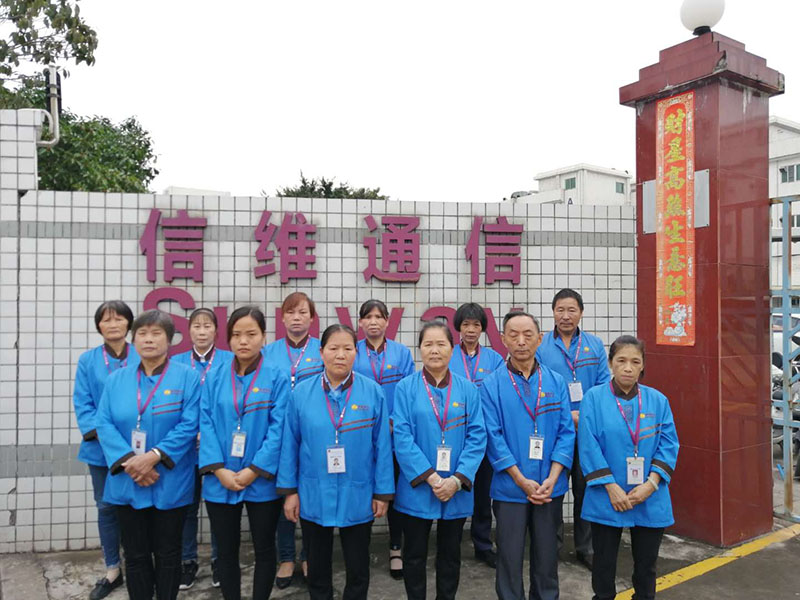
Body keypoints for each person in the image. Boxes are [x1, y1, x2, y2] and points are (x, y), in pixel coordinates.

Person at [277, 324, 394, 600]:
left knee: (358, 564)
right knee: (317, 565)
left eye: (347, 348)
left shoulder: (372, 392)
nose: (340, 355)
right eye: (333, 348)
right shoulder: (301, 394)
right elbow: (289, 444)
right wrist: (290, 491)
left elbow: (382, 447)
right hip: (313, 490)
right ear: (321, 352)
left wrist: (382, 493)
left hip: (359, 490)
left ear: (356, 352)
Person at [95, 310, 201, 600]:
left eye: (156, 333)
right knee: (135, 554)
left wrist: (153, 456)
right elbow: (103, 422)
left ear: (170, 340)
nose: (149, 339)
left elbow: (190, 423)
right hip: (128, 478)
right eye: (142, 333)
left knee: (168, 553)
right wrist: (132, 462)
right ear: (134, 339)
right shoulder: (116, 379)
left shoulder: (188, 377)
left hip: (170, 477)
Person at [481, 311, 575, 600]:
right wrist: (520, 480)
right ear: (503, 340)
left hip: (549, 487)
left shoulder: (556, 382)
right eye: (514, 335)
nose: (521, 341)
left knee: (547, 556)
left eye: (528, 335)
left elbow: (566, 432)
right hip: (510, 488)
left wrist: (553, 477)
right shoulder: (491, 385)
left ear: (540, 338)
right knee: (509, 557)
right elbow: (493, 437)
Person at [199, 306, 290, 600]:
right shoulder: (214, 377)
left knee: (264, 548)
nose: (243, 341)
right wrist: (219, 469)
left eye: (251, 334)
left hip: (261, 479)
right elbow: (205, 423)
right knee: (226, 551)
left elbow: (279, 429)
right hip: (221, 477)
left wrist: (254, 469)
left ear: (263, 337)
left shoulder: (276, 377)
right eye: (236, 334)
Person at [578, 336, 679, 600]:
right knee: (603, 565)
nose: (628, 368)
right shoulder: (593, 398)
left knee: (646, 567)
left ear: (643, 365)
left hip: (649, 495)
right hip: (606, 494)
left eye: (635, 362)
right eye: (621, 360)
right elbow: (588, 445)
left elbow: (669, 444)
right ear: (610, 363)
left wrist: (651, 484)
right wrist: (611, 487)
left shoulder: (658, 400)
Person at [392, 321, 486, 600]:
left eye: (441, 344)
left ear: (452, 349)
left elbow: (477, 436)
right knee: (414, 554)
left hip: (455, 486)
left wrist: (456, 480)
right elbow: (402, 437)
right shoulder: (405, 388)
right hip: (419, 485)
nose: (434, 350)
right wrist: (432, 478)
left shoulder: (468, 389)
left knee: (450, 554)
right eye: (428, 344)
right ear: (419, 349)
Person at [536, 288, 611, 570]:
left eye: (571, 310)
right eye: (560, 310)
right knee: (554, 490)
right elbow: (539, 387)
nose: (565, 316)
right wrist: (567, 415)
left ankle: (585, 548)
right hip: (554, 431)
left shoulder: (595, 345)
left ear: (581, 312)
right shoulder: (541, 346)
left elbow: (603, 387)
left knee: (586, 488)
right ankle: (551, 548)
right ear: (552, 312)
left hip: (587, 432)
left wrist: (584, 415)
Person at [73, 301, 139, 600]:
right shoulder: (88, 361)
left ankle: (139, 564)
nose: (113, 325)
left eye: (119, 319)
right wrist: (111, 440)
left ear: (129, 323)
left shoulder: (141, 354)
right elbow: (83, 403)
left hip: (139, 450)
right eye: (106, 320)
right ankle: (113, 568)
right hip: (101, 450)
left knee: (139, 506)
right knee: (107, 507)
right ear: (98, 325)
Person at [262, 292, 322, 587]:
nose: (296, 318)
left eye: (303, 313)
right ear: (282, 317)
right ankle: (286, 557)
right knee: (282, 494)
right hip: (277, 432)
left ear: (312, 318)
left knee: (310, 495)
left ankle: (308, 555)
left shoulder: (321, 350)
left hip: (312, 433)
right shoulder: (268, 352)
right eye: (291, 312)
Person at [352, 299, 415, 579]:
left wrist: (393, 421)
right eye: (368, 317)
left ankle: (395, 547)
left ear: (388, 321)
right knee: (364, 489)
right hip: (361, 435)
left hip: (394, 435)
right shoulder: (353, 351)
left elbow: (410, 392)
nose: (374, 321)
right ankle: (359, 548)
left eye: (379, 317)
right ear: (360, 323)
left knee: (394, 492)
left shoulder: (401, 353)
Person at [172, 308, 232, 590]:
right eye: (196, 326)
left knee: (218, 507)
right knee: (187, 507)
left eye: (207, 326)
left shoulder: (229, 361)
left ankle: (220, 561)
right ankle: (187, 561)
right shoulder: (176, 362)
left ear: (216, 331)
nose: (202, 331)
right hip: (186, 449)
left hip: (218, 447)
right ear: (189, 331)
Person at [448, 302, 505, 568]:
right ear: (458, 327)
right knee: (456, 488)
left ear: (483, 328)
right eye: (466, 324)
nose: (471, 330)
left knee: (483, 493)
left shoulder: (494, 360)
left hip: (485, 436)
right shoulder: (448, 355)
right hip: (454, 435)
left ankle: (482, 544)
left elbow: (501, 395)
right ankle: (451, 544)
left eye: (476, 325)